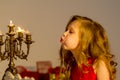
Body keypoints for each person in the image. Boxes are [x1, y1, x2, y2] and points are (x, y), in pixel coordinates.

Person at [59, 15, 117, 80]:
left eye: (71, 32)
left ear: (84, 40)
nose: (64, 33)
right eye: (66, 30)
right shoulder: (74, 68)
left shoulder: (99, 63)